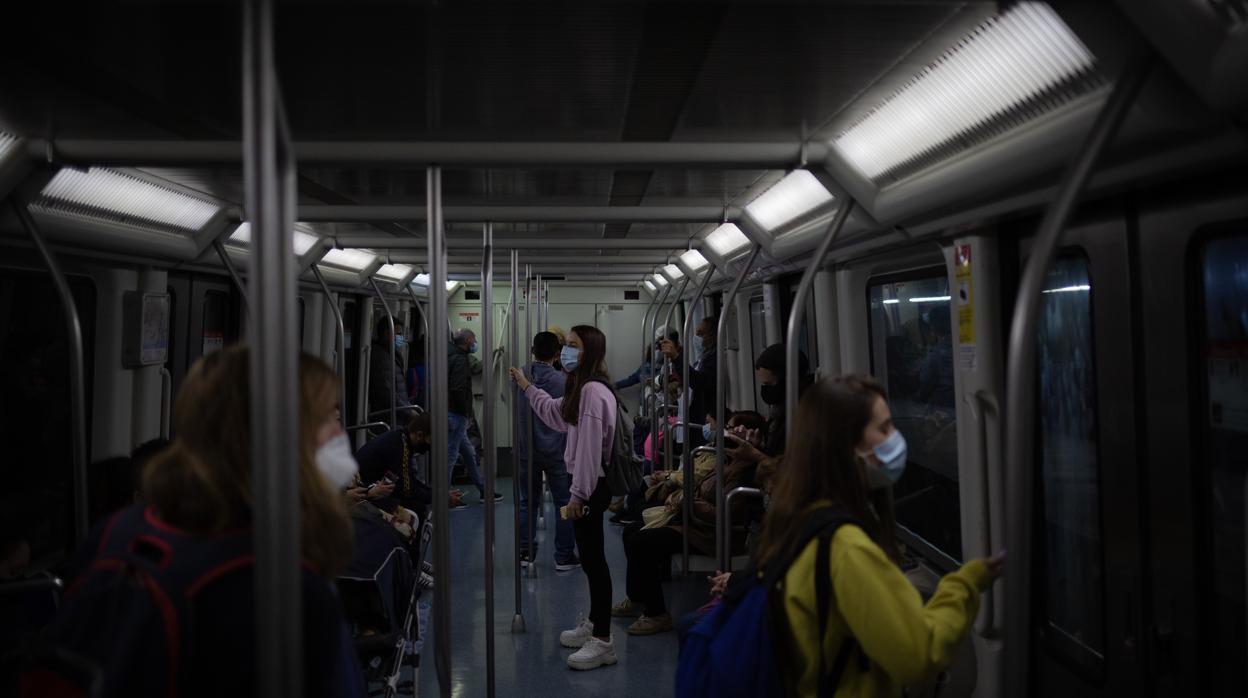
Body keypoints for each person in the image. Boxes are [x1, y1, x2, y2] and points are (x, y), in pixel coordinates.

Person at [41, 347, 364, 697]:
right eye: (327, 418)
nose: (339, 433)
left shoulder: (118, 532)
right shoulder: (287, 589)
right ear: (279, 436)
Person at [758, 375, 1004, 696]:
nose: (895, 438)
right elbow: (917, 655)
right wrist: (965, 584)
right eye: (884, 429)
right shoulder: (846, 549)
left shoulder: (796, 522)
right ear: (847, 446)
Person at [508, 325, 618, 671]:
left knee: (595, 562)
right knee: (588, 558)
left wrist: (577, 495)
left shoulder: (592, 394)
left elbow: (587, 453)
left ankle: (602, 640)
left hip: (589, 485)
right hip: (585, 483)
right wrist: (528, 388)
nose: (566, 352)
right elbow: (556, 413)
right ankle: (595, 623)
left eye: (573, 346)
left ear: (590, 353)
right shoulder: (580, 389)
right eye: (565, 346)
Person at [611, 410, 766, 635]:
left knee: (642, 541)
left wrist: (688, 502)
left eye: (732, 429)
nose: (727, 433)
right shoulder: (725, 460)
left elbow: (725, 514)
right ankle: (637, 598)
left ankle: (657, 614)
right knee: (632, 531)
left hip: (713, 535)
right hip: (697, 526)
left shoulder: (743, 472)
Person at [515, 331, 578, 571]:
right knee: (564, 502)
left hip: (526, 449)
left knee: (527, 502)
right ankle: (563, 555)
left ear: (532, 351)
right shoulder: (563, 381)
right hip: (557, 451)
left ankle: (525, 552)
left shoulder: (521, 375)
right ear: (557, 354)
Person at [447, 328, 499, 504]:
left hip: (454, 413)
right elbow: (457, 388)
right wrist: (466, 412)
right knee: (451, 455)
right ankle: (444, 497)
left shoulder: (450, 355)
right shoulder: (461, 360)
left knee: (469, 453)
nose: (475, 342)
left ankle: (484, 490)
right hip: (456, 414)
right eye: (474, 339)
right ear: (468, 340)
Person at [658, 316, 719, 444]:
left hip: (704, 419)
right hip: (695, 417)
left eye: (701, 334)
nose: (696, 338)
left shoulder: (714, 358)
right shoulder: (703, 358)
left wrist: (675, 357)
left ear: (713, 335)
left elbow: (698, 381)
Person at [369, 318, 412, 418]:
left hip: (397, 413)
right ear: (387, 334)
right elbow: (386, 393)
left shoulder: (392, 354)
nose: (401, 338)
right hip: (388, 415)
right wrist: (407, 411)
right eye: (398, 334)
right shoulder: (381, 358)